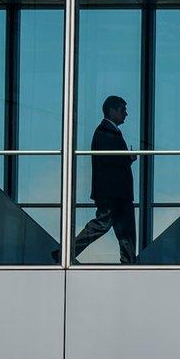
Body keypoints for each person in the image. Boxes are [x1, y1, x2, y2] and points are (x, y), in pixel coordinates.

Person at [68, 96, 138, 263]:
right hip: (112, 193)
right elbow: (109, 161)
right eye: (123, 110)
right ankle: (66, 253)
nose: (126, 114)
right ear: (112, 110)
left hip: (118, 193)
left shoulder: (108, 131)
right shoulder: (105, 132)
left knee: (125, 230)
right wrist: (128, 159)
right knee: (103, 224)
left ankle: (129, 263)